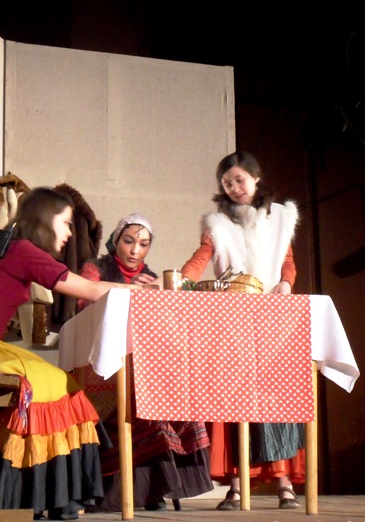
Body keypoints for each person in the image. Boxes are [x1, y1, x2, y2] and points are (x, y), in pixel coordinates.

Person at [0, 187, 145, 520]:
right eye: (65, 223)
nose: (69, 233)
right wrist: (141, 289)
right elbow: (88, 288)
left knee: (52, 386)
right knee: (59, 387)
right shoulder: (25, 251)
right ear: (45, 220)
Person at [179, 150, 303, 510]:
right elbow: (200, 260)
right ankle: (236, 486)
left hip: (272, 320)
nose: (234, 187)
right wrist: (180, 281)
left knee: (275, 402)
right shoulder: (218, 223)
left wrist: (285, 284)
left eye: (239, 180)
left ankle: (284, 484)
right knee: (232, 402)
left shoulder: (279, 218)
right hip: (231, 323)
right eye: (227, 183)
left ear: (256, 178)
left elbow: (288, 262)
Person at [75, 213, 214, 511]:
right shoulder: (95, 269)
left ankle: (156, 488)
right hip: (104, 364)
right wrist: (132, 292)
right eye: (128, 241)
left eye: (143, 244)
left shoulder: (153, 277)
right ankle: (139, 491)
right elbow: (84, 306)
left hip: (143, 364)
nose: (135, 250)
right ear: (116, 240)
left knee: (176, 399)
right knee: (143, 400)